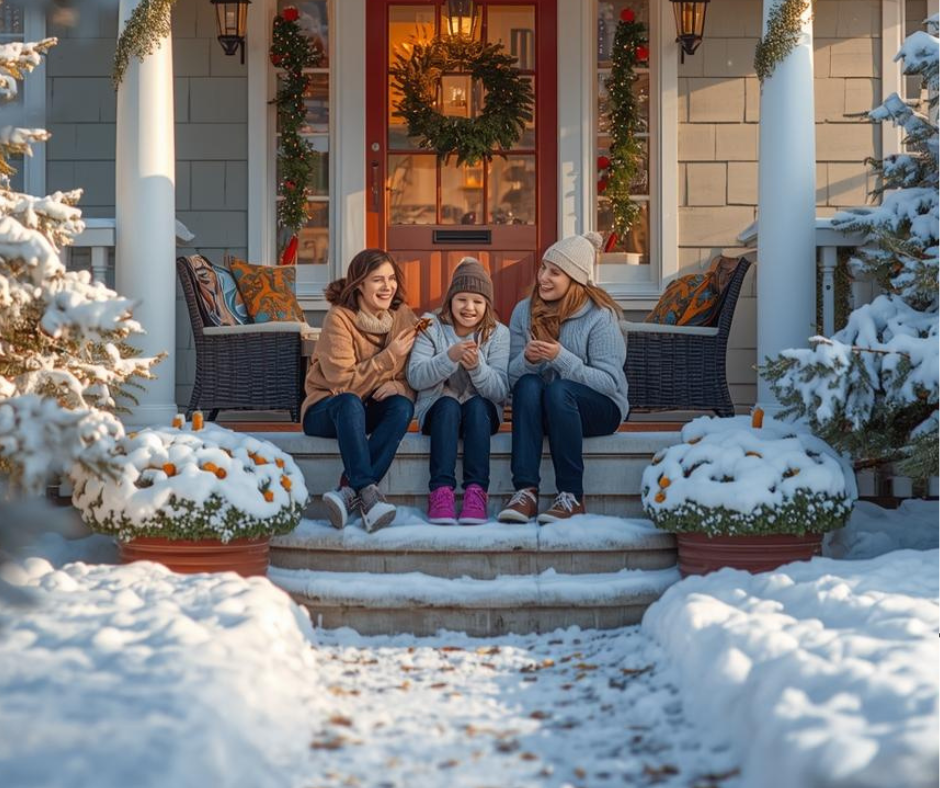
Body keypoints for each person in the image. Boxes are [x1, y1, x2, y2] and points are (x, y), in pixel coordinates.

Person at [498, 232, 628, 524]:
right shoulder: (524, 311)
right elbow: (509, 381)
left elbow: (610, 383)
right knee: (529, 384)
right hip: (549, 410)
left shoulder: (599, 316)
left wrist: (562, 358)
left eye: (555, 272)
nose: (543, 277)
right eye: (543, 268)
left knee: (559, 390)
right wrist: (528, 361)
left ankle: (571, 495)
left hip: (601, 409)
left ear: (575, 279)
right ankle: (525, 492)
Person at [301, 249, 417, 532]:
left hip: (368, 407)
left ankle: (349, 491)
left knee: (402, 406)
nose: (387, 287)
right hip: (326, 408)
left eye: (391, 279)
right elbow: (341, 383)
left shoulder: (403, 317)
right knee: (350, 402)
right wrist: (388, 357)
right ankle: (368, 490)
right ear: (360, 285)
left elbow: (414, 376)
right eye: (378, 280)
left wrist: (400, 386)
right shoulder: (339, 318)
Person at [407, 258, 510, 525]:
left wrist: (477, 368)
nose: (469, 307)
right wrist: (448, 357)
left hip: (480, 416)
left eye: (477, 301)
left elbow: (500, 391)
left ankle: (476, 492)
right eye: (462, 299)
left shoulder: (498, 334)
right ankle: (441, 491)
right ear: (450, 299)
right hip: (439, 412)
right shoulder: (430, 325)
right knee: (449, 405)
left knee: (476, 406)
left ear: (487, 303)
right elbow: (416, 377)